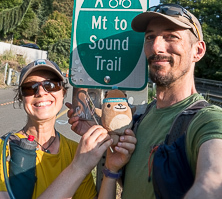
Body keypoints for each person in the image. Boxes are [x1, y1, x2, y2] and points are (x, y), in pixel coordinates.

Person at [68, 3, 222, 199]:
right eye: (150, 37)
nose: (156, 47)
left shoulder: (207, 120)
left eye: (171, 36)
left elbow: (213, 182)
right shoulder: (139, 118)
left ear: (197, 51)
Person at [0, 59, 136, 199]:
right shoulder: (3, 150)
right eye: (30, 87)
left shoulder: (74, 152)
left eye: (51, 85)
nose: (41, 92)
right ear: (21, 97)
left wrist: (110, 171)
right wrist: (78, 167)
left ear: (63, 93)